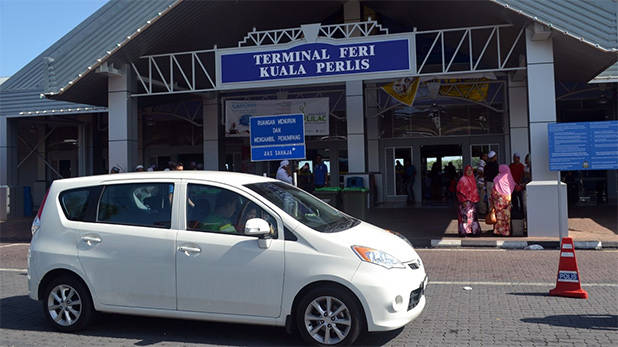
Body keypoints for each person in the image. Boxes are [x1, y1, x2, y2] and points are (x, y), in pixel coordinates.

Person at [491, 165, 516, 236]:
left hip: (499, 201)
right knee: (507, 216)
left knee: (499, 216)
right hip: (507, 199)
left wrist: (493, 199)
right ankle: (506, 231)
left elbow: (494, 191)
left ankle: (498, 231)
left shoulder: (497, 178)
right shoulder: (509, 178)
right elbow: (512, 187)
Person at [456, 165, 481, 236]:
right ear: (465, 171)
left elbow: (475, 191)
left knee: (472, 217)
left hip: (472, 202)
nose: (469, 171)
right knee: (465, 218)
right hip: (465, 202)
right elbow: (459, 191)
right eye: (468, 170)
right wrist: (463, 200)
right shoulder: (462, 179)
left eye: (471, 170)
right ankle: (465, 232)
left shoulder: (473, 179)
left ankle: (473, 231)